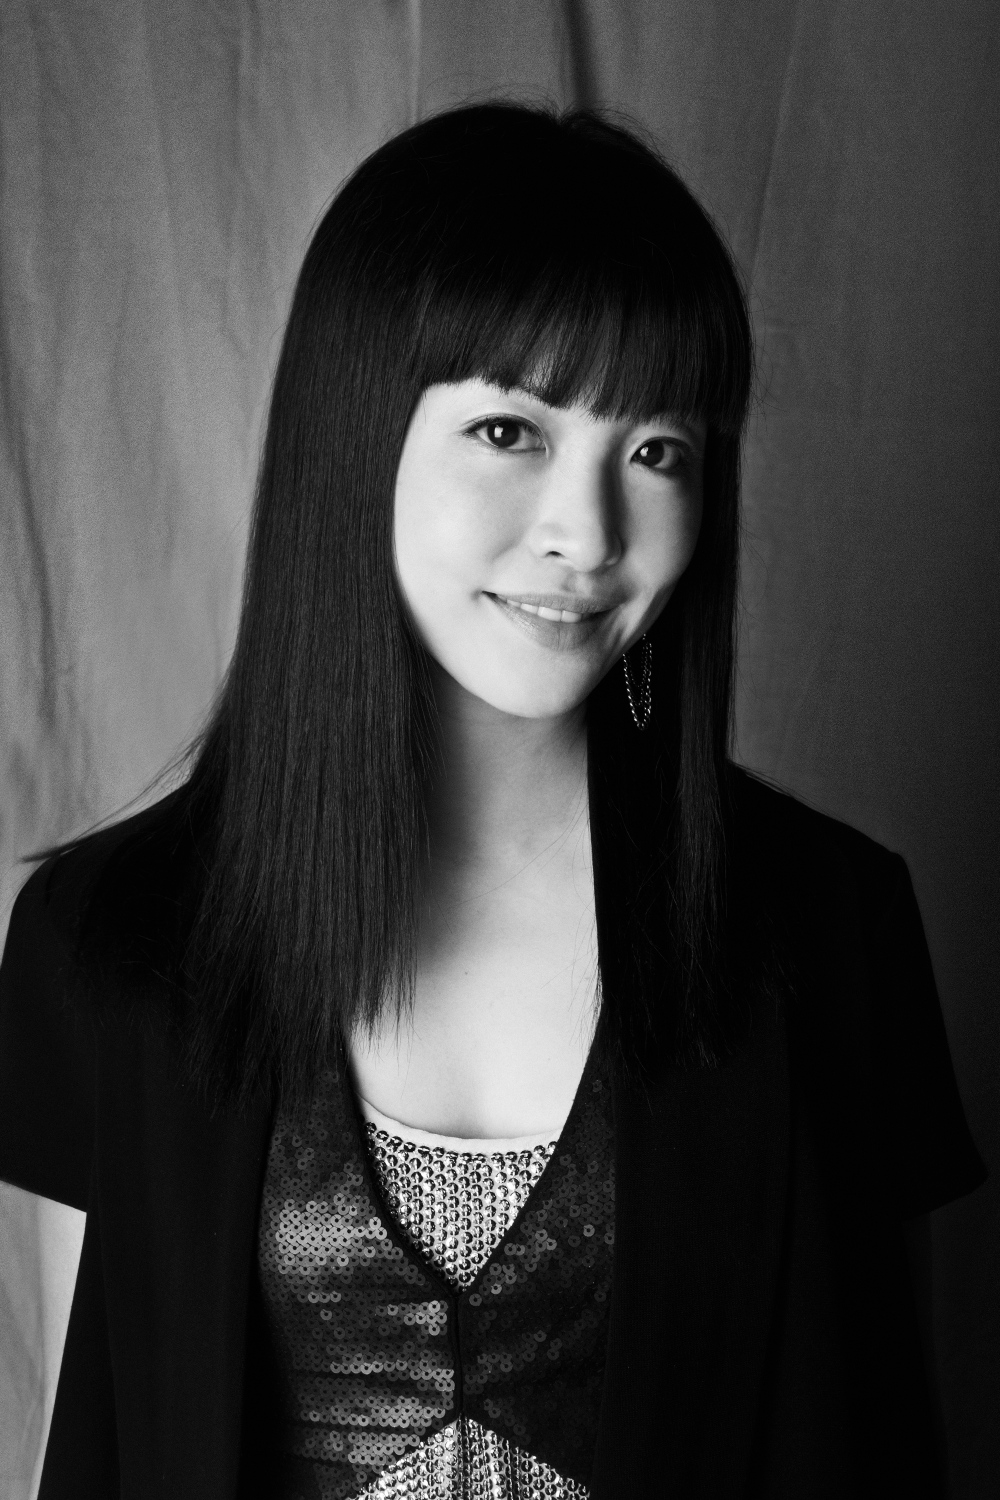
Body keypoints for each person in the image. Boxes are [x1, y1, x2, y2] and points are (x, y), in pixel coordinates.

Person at [0, 102, 986, 1500]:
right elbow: (94, 1437)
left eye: (656, 450)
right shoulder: (109, 943)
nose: (587, 534)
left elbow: (889, 1438)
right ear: (356, 439)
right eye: (511, 428)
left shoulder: (829, 930)